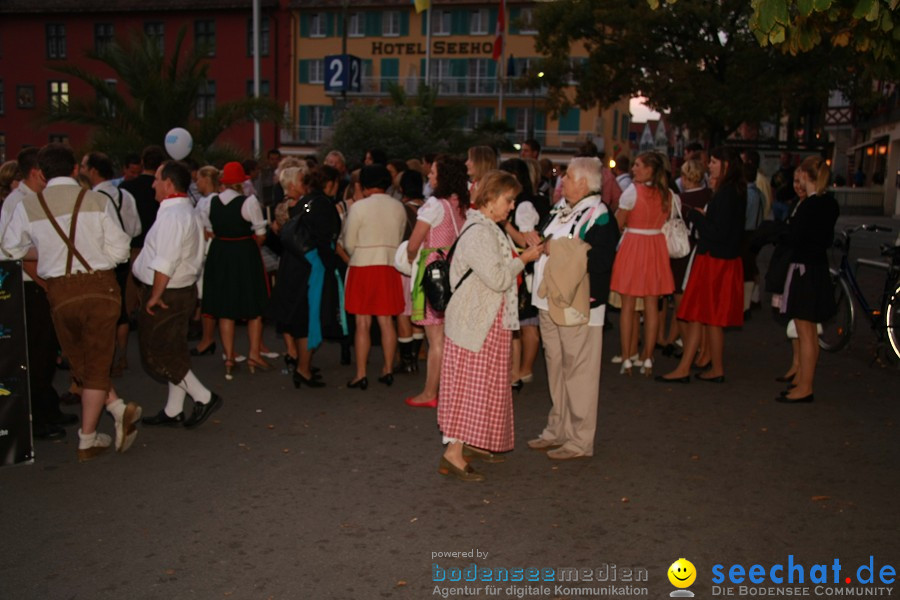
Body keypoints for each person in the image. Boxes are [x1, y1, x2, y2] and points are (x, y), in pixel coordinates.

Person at [1, 143, 140, 461]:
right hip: (99, 287)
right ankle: (88, 438)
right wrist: (94, 257)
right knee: (95, 364)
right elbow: (121, 250)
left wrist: (48, 252)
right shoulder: (96, 200)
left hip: (59, 292)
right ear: (75, 169)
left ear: (41, 172)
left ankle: (116, 411)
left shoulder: (28, 206)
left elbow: (11, 249)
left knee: (81, 363)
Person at [437, 170, 544, 481]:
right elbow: (498, 277)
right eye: (508, 200)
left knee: (481, 386)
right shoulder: (480, 232)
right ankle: (452, 453)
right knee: (469, 387)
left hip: (484, 320)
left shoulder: (487, 227)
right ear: (492, 198)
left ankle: (466, 443)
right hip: (475, 322)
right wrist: (525, 259)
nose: (511, 206)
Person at [527, 157, 620, 460]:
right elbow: (547, 243)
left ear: (583, 182)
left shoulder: (600, 214)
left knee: (579, 372)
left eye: (566, 176)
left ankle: (580, 439)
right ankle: (559, 428)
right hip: (548, 300)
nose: (561, 180)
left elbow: (601, 261)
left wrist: (558, 247)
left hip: (579, 303)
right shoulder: (561, 209)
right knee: (556, 369)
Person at [133, 161, 223, 428]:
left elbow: (166, 261)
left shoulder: (174, 215)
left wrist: (154, 295)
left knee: (157, 354)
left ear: (168, 183)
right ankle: (174, 410)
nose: (152, 184)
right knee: (174, 349)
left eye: (156, 179)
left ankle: (203, 396)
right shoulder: (187, 210)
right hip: (180, 290)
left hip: (168, 292)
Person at [657, 147, 747, 384]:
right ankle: (700, 366)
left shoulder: (727, 193)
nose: (710, 166)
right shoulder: (733, 191)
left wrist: (697, 217)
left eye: (715, 162)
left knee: (705, 317)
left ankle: (697, 367)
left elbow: (717, 231)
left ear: (726, 165)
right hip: (720, 259)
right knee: (706, 317)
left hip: (715, 260)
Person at [404, 156, 468, 408]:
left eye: (432, 174)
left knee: (436, 339)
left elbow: (414, 241)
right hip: (455, 270)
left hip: (433, 273)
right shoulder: (460, 204)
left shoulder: (434, 205)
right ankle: (451, 389)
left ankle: (431, 392)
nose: (429, 177)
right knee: (450, 336)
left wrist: (409, 258)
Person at [269, 166, 341, 389]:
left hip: (295, 265)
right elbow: (326, 237)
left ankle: (303, 365)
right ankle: (303, 369)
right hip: (312, 267)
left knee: (302, 318)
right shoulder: (322, 205)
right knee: (311, 318)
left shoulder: (301, 203)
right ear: (329, 183)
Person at [776, 156, 839, 404]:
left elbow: (795, 237)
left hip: (805, 269)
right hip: (816, 268)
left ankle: (805, 386)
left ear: (806, 176)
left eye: (800, 173)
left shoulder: (811, 205)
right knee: (808, 332)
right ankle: (803, 382)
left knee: (806, 332)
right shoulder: (827, 203)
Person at [201, 161, 271, 379]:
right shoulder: (249, 202)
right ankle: (253, 354)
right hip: (244, 254)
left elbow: (209, 231)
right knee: (254, 305)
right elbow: (261, 234)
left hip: (220, 254)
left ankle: (229, 356)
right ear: (241, 182)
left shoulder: (210, 202)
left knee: (225, 307)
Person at [340, 164, 406, 389]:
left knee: (362, 323)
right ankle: (387, 369)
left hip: (363, 265)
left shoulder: (359, 207)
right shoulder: (398, 207)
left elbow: (348, 242)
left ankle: (360, 374)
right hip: (388, 266)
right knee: (387, 321)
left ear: (365, 185)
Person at [610, 152, 676, 377]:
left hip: (634, 245)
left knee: (628, 305)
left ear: (649, 169)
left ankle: (627, 358)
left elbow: (618, 222)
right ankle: (648, 358)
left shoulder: (631, 192)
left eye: (638, 165)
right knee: (652, 306)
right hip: (655, 247)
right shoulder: (667, 194)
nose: (634, 169)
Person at [80, 152, 142, 377]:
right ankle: (121, 355)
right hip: (122, 259)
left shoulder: (89, 198)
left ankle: (103, 359)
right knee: (122, 309)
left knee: (100, 312)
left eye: (85, 166)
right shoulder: (125, 195)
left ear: (93, 170)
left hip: (99, 261)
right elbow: (135, 229)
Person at [396, 169, 426, 374]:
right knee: (418, 312)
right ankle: (414, 357)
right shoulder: (429, 208)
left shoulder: (401, 209)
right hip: (424, 264)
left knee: (403, 313)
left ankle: (406, 360)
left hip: (405, 265)